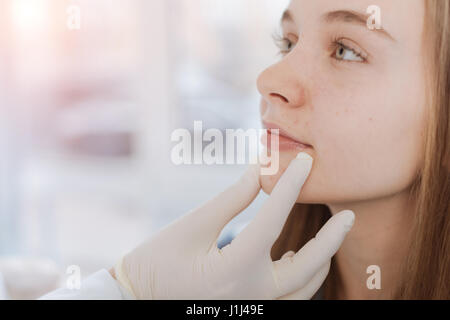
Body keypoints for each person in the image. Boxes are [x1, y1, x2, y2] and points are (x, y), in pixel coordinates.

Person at [39, 153, 355, 300]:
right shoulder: (228, 263)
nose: (268, 80)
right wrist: (126, 290)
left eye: (344, 50)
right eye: (286, 44)